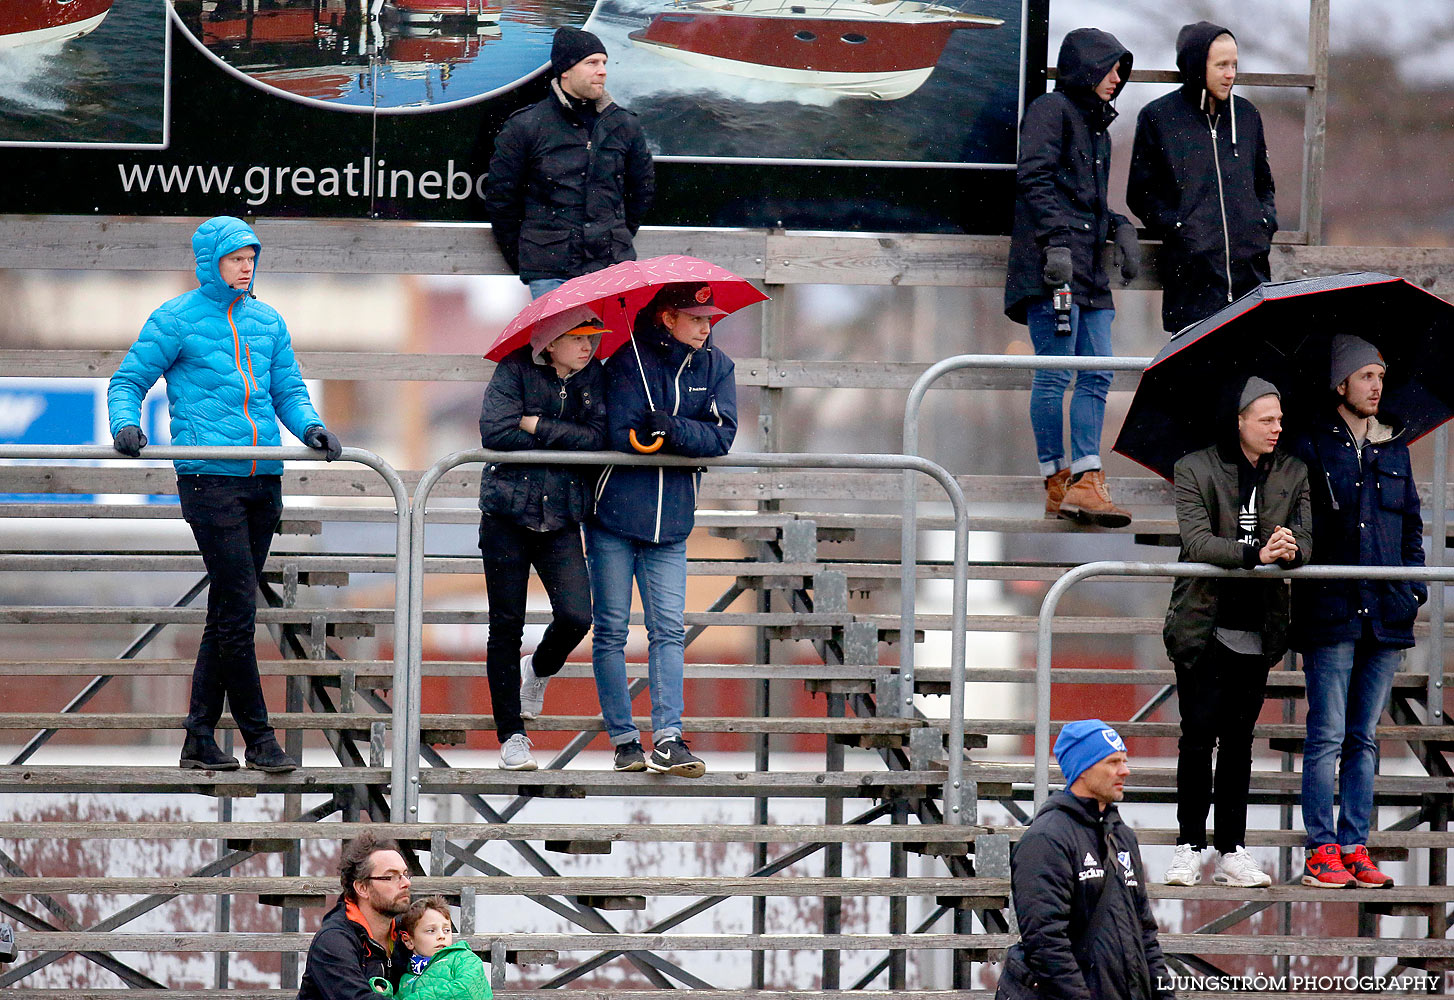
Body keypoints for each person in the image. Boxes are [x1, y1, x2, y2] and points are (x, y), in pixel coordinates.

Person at [107, 215, 342, 775]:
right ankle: (259, 738)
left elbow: (287, 388)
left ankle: (198, 738)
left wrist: (310, 429)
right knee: (237, 608)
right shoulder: (176, 317)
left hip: (264, 478)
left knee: (228, 609)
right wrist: (126, 425)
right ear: (211, 261)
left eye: (251, 258)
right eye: (237, 258)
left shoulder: (268, 320)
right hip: (209, 478)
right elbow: (127, 381)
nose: (247, 267)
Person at [1161, 377, 1310, 888]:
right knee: (1198, 738)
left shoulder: (1293, 470)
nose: (1277, 428)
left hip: (1259, 626)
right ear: (1240, 419)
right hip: (1202, 626)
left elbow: (1307, 538)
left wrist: (1291, 546)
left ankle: (1232, 849)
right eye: (1266, 419)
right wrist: (1256, 554)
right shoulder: (1193, 467)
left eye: (1280, 419)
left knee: (1240, 743)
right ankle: (1188, 846)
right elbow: (1197, 541)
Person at [1289, 335, 1423, 888]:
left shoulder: (1396, 448)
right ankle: (1322, 849)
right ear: (1340, 384)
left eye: (1381, 376)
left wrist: (1412, 590)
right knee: (1327, 735)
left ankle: (1355, 844)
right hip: (1332, 610)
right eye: (1366, 376)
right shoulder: (1310, 446)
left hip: (1386, 614)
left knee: (1364, 737)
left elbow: (1412, 526)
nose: (1377, 386)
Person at [589, 282, 736, 778]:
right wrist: (663, 435)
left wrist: (671, 429)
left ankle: (669, 738)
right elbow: (623, 435)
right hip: (612, 516)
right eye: (697, 319)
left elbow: (721, 437)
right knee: (610, 630)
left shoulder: (720, 367)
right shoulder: (626, 361)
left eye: (709, 319)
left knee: (668, 631)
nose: (706, 327)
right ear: (668, 318)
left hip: (672, 523)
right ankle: (625, 741)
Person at [1005, 28, 1140, 529]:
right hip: (1052, 267)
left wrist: (1121, 227)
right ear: (1085, 67)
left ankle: (1086, 477)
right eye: (1110, 67)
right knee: (1057, 372)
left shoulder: (1098, 129)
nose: (1117, 77)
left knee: (1099, 371)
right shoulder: (1051, 109)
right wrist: (1056, 243)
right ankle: (1056, 479)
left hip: (1087, 271)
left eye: (1121, 69)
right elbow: (1034, 177)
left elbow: (1089, 203)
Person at [477, 306, 607, 771]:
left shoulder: (593, 377)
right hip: (507, 514)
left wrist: (534, 425)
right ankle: (512, 736)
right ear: (550, 341)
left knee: (576, 615)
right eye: (579, 338)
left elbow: (598, 438)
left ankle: (539, 670)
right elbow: (494, 431)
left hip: (563, 515)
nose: (588, 346)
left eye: (592, 337)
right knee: (505, 627)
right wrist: (562, 440)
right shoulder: (513, 368)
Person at [995, 720, 1172, 1000]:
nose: (1125, 770)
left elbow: (1146, 935)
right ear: (1083, 770)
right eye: (1113, 762)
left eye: (1124, 761)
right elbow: (1046, 944)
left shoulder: (1122, 836)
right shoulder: (1046, 839)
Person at [483, 26, 655, 298]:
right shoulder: (526, 126)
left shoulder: (625, 125)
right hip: (550, 274)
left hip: (611, 268)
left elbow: (641, 192)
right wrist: (531, 258)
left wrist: (613, 238)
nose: (602, 71)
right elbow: (501, 199)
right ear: (565, 70)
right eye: (592, 63)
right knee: (562, 342)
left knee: (608, 342)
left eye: (604, 63)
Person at [1128, 21, 1277, 333]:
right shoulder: (1158, 118)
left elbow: (1264, 184)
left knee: (1252, 380)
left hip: (1252, 284)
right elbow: (1140, 194)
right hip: (1191, 289)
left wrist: (1262, 225)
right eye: (1221, 64)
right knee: (1197, 381)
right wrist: (1181, 229)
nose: (1230, 74)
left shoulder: (1247, 116)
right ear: (1197, 64)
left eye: (1234, 64)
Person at [298, 831, 412, 999]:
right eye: (390, 877)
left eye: (405, 874)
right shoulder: (332, 942)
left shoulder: (408, 934)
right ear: (362, 888)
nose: (406, 883)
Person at [397, 895, 492, 1000]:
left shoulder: (464, 959)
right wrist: (384, 992)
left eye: (446, 930)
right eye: (431, 930)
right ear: (408, 941)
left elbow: (467, 989)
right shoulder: (406, 979)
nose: (442, 936)